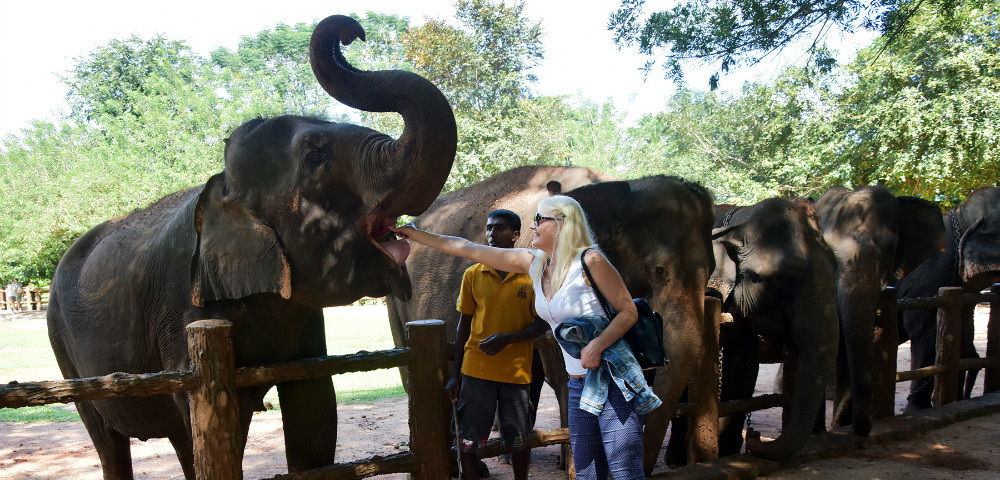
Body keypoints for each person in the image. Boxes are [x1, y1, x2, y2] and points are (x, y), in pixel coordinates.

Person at [392, 195, 653, 479]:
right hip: (578, 384)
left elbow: (628, 311)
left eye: (540, 219)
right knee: (589, 471)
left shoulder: (591, 261)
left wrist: (597, 345)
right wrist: (416, 234)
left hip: (612, 378)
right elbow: (467, 249)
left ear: (563, 224)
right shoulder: (535, 263)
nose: (532, 226)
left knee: (624, 471)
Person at [447, 209, 548, 480]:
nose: (492, 234)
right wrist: (456, 373)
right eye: (490, 228)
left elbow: (543, 323)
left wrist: (508, 339)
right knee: (468, 441)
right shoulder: (473, 274)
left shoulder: (531, 276)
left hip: (516, 373)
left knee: (518, 441)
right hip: (476, 371)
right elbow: (463, 325)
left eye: (500, 228)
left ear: (516, 235)